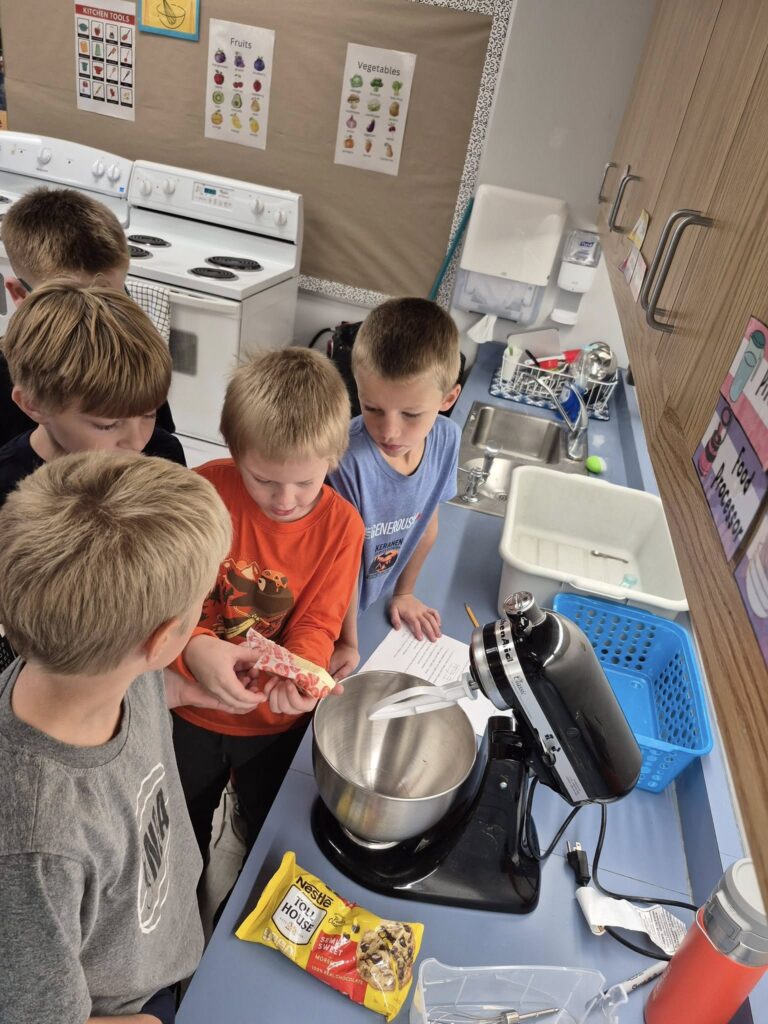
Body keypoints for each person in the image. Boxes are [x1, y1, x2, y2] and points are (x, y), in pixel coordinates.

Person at [0, 450, 247, 1023]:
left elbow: (145, 691)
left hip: (167, 939)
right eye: (198, 609)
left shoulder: (96, 661)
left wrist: (193, 692)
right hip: (133, 1006)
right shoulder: (35, 844)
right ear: (162, 639)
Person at [170, 347, 365, 857]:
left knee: (262, 828)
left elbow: (319, 622)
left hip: (272, 724)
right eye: (263, 479)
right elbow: (165, 601)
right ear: (234, 451)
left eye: (305, 482)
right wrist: (192, 647)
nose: (284, 500)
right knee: (182, 835)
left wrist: (301, 669)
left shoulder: (343, 528)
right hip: (187, 708)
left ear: (334, 456)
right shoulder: (201, 493)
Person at [328, 297, 462, 680]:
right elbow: (343, 565)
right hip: (335, 607)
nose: (389, 431)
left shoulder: (447, 440)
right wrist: (347, 640)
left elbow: (426, 527)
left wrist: (404, 592)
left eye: (411, 415)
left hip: (367, 603)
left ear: (448, 399)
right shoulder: (346, 460)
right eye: (372, 408)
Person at [0, 185, 176, 442]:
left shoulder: (131, 359)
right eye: (73, 299)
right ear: (20, 294)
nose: (97, 311)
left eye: (111, 297)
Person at [0, 282, 185, 505]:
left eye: (150, 414)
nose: (137, 443)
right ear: (33, 405)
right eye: (107, 425)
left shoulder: (165, 454)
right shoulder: (7, 487)